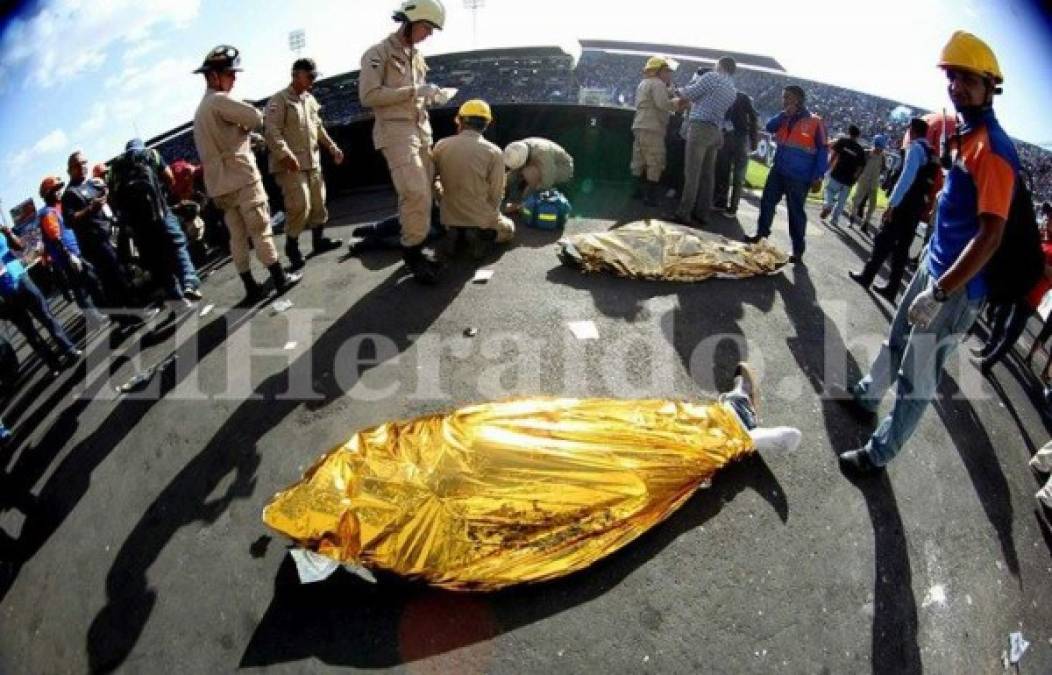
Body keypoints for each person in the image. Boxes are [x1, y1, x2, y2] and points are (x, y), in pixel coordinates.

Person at [837, 31, 1019, 475]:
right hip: (934, 266)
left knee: (916, 379)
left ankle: (879, 453)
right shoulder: (964, 134)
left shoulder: (993, 149)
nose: (957, 87)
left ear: (990, 86)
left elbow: (991, 237)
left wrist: (939, 292)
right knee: (896, 340)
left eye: (968, 80)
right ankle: (866, 395)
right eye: (952, 77)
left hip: (954, 287)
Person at [192, 45, 301, 302]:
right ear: (214, 76)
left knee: (237, 236)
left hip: (220, 185)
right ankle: (279, 278)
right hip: (241, 178)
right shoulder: (219, 100)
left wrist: (242, 133)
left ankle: (250, 286)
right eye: (230, 74)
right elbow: (255, 117)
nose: (234, 78)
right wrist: (246, 129)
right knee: (260, 229)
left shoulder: (200, 110)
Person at [359, 0, 451, 285]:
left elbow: (415, 97)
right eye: (427, 27)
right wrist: (414, 91)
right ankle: (412, 253)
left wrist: (431, 95)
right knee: (416, 193)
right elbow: (369, 96)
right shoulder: (377, 54)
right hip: (396, 132)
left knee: (424, 194)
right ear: (409, 21)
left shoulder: (417, 57)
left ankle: (410, 243)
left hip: (421, 130)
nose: (429, 34)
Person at [264, 57, 345, 271]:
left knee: (319, 203)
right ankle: (292, 246)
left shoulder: (309, 99)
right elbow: (272, 132)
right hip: (290, 165)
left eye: (314, 76)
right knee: (300, 205)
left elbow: (318, 128)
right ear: (296, 75)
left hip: (313, 161)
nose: (313, 80)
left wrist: (332, 147)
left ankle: (319, 241)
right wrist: (285, 154)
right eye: (309, 76)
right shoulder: (279, 100)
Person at [848, 117, 938, 300]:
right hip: (916, 206)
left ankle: (867, 276)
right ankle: (892, 288)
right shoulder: (931, 152)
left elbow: (906, 177)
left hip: (904, 204)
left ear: (911, 130)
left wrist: (892, 204)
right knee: (902, 249)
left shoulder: (915, 148)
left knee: (883, 241)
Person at [107, 140, 198, 314]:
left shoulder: (115, 167)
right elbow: (170, 178)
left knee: (156, 262)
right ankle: (189, 282)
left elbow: (112, 199)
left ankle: (177, 299)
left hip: (138, 225)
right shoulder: (151, 154)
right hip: (160, 213)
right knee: (178, 245)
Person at [744, 85, 828, 263]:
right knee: (767, 202)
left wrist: (818, 175)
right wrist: (783, 114)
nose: (783, 101)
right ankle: (761, 234)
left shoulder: (815, 122)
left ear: (797, 99)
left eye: (787, 97)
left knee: (795, 211)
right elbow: (769, 127)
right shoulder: (783, 117)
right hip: (779, 170)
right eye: (783, 97)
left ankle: (797, 249)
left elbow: (822, 149)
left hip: (800, 176)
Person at [432, 99, 515, 259]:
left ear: (460, 120)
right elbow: (497, 192)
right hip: (479, 216)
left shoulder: (441, 145)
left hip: (448, 214)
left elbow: (432, 179)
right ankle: (479, 235)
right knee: (508, 229)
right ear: (486, 124)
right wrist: (491, 215)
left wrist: (441, 200)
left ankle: (455, 232)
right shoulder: (494, 152)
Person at [0, 220, 80, 375]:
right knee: (29, 333)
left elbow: (20, 247)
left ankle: (69, 349)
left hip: (21, 278)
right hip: (5, 294)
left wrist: (9, 234)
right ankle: (53, 364)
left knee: (46, 317)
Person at [61, 151, 134, 309]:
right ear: (70, 170)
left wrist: (105, 196)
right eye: (78, 164)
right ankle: (130, 313)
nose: (83, 166)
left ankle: (124, 317)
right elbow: (69, 221)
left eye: (84, 162)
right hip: (94, 243)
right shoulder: (69, 194)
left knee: (119, 274)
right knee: (113, 278)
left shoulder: (90, 184)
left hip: (108, 235)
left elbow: (102, 201)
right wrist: (90, 209)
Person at [673, 56, 738, 226]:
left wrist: (675, 89)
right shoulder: (732, 88)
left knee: (692, 173)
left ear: (720, 65)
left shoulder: (712, 77)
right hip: (715, 131)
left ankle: (683, 213)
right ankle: (702, 214)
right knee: (708, 176)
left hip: (700, 127)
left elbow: (690, 93)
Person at [37, 176, 109, 325]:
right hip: (68, 256)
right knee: (83, 287)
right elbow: (56, 237)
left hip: (76, 250)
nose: (58, 192)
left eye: (59, 189)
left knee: (88, 284)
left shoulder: (60, 206)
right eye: (54, 190)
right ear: (47, 194)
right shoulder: (47, 213)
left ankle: (99, 312)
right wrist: (69, 255)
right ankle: (96, 316)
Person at [630, 56, 682, 207]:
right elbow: (663, 104)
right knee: (655, 161)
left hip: (640, 125)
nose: (669, 74)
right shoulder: (658, 84)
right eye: (667, 71)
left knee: (639, 160)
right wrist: (679, 102)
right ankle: (650, 197)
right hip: (653, 127)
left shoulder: (644, 83)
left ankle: (637, 192)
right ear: (658, 71)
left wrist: (669, 90)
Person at [714, 90, 759, 215]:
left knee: (725, 171)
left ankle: (722, 202)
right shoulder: (746, 106)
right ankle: (732, 207)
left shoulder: (729, 101)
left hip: (730, 138)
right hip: (741, 139)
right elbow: (754, 122)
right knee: (737, 176)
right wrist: (754, 142)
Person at [503, 137, 574, 211]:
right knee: (524, 172)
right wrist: (502, 186)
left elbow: (548, 178)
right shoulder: (517, 148)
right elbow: (514, 172)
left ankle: (528, 203)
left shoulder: (542, 152)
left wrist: (523, 203)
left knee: (529, 172)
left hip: (563, 168)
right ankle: (523, 197)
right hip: (542, 165)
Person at [820, 124, 866, 227]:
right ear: (858, 136)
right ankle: (834, 220)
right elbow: (860, 167)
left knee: (829, 190)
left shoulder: (842, 141)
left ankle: (828, 205)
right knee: (841, 201)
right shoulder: (860, 150)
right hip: (849, 179)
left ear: (849, 132)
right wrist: (855, 178)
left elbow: (834, 155)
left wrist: (828, 166)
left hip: (837, 173)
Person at [847, 134, 887, 234]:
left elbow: (883, 169)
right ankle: (852, 219)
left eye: (881, 148)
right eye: (878, 148)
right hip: (863, 181)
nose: (880, 150)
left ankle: (865, 224)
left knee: (872, 205)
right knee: (856, 201)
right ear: (874, 145)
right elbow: (859, 165)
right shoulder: (866, 153)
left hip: (874, 183)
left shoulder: (883, 157)